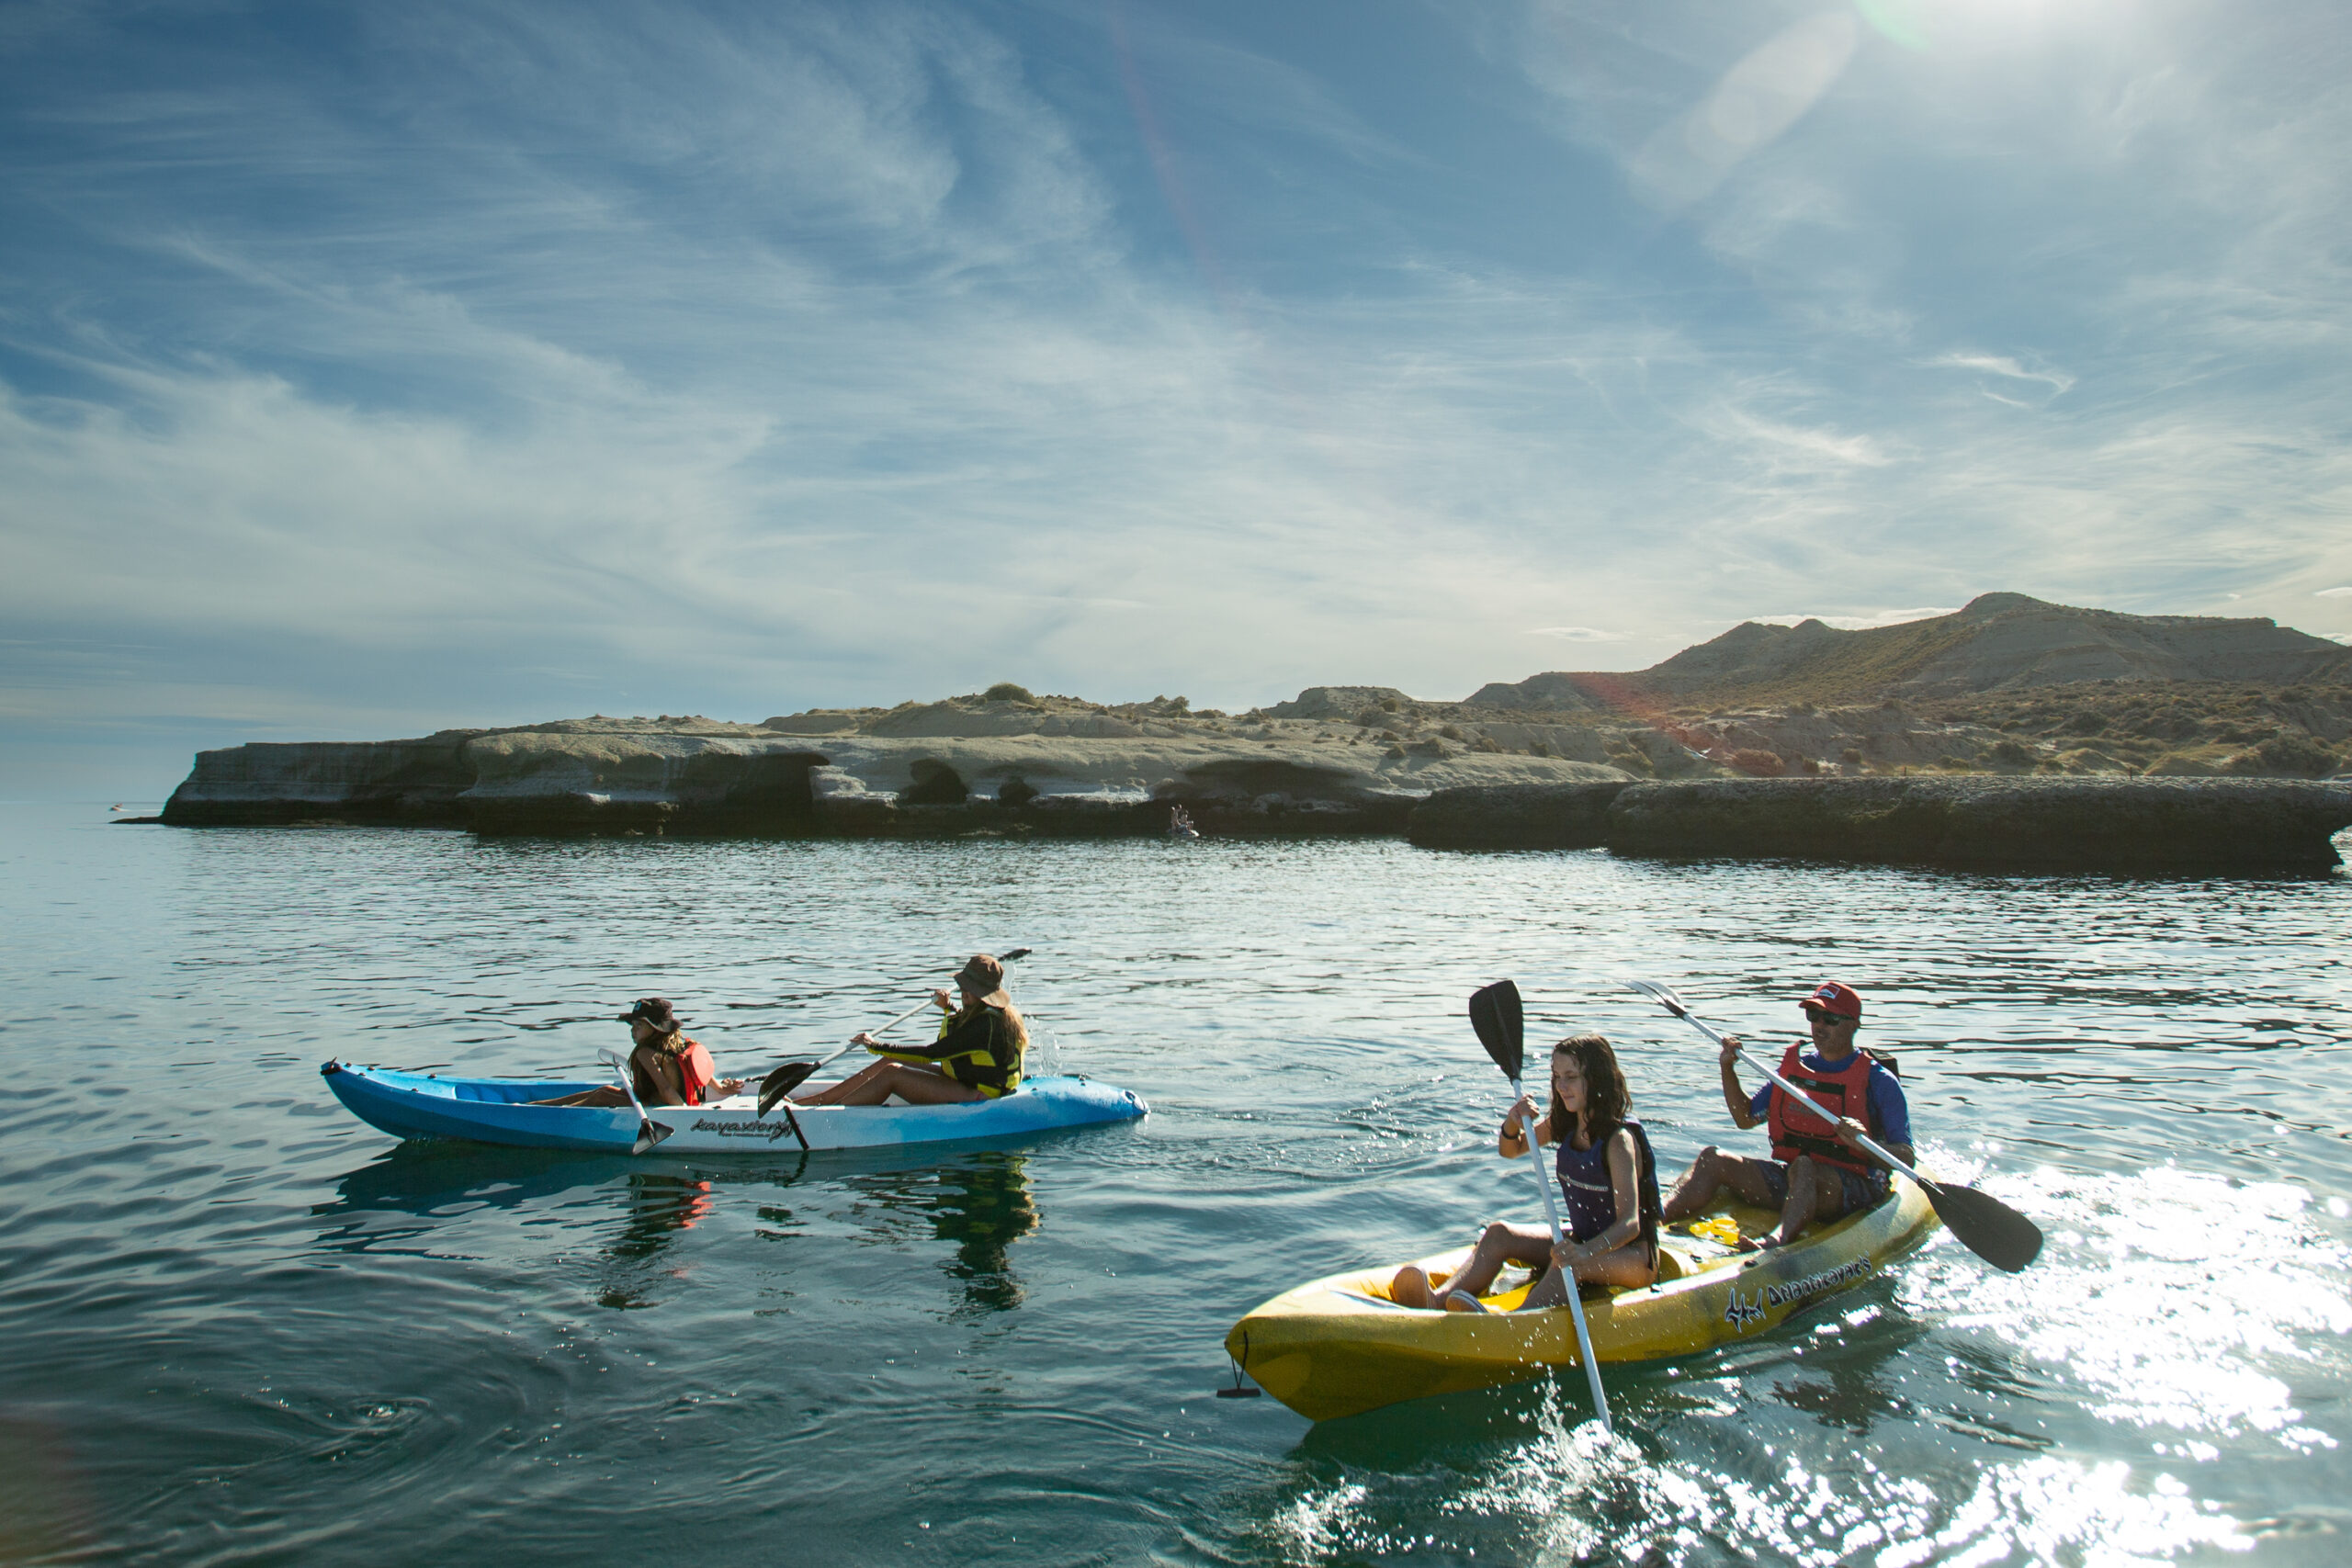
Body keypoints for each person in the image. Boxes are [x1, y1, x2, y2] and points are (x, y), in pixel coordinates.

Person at [1392, 1033, 1661, 1313]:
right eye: (1556, 1077)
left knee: (1568, 1263)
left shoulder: (1619, 1141)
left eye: (1571, 1076)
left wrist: (1583, 1252)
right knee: (1499, 1234)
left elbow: (1630, 1224)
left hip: (1633, 1258)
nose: (1561, 1087)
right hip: (1583, 1241)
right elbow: (1511, 1150)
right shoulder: (1565, 1124)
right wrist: (1512, 1123)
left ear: (1596, 1079)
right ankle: (1435, 1300)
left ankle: (1516, 1322)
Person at [1658, 981, 1914, 1251]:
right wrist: (1727, 1069)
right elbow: (1746, 1119)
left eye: (1830, 1019)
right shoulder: (1796, 1070)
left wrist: (1862, 1141)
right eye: (1813, 1016)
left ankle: (1775, 1242)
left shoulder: (1880, 1081)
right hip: (1795, 1179)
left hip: (1852, 1188)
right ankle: (1654, 1217)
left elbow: (1906, 1158)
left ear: (1853, 1024)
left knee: (1804, 1168)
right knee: (1713, 1158)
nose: (1819, 1025)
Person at [793, 954, 1029, 1107]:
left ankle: (827, 1112)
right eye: (964, 985)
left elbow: (932, 1053)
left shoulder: (986, 1026)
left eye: (970, 988)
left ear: (986, 995)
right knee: (890, 1060)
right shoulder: (983, 1015)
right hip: (966, 1080)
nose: (963, 991)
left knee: (892, 1074)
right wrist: (948, 1009)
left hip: (981, 1095)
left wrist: (875, 1046)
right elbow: (960, 1040)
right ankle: (819, 1100)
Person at [529, 998, 744, 1108]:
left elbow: (666, 1088)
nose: (633, 1031)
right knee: (604, 1089)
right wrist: (721, 1089)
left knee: (602, 1096)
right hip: (666, 1102)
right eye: (632, 1026)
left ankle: (553, 1113)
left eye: (638, 1026)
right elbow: (705, 1077)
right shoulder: (685, 1044)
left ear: (656, 1028)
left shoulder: (645, 1053)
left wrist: (683, 1116)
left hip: (662, 1107)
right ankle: (540, 1106)